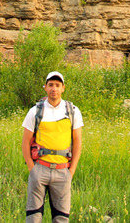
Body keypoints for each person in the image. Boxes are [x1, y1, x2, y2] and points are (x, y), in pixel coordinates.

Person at [21, 71, 83, 223]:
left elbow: (77, 142)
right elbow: (25, 142)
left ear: (63, 88)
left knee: (61, 219)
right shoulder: (35, 111)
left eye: (57, 85)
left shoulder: (73, 111)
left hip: (63, 171)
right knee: (33, 218)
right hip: (39, 169)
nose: (54, 88)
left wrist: (71, 171)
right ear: (45, 88)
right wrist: (32, 169)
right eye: (50, 85)